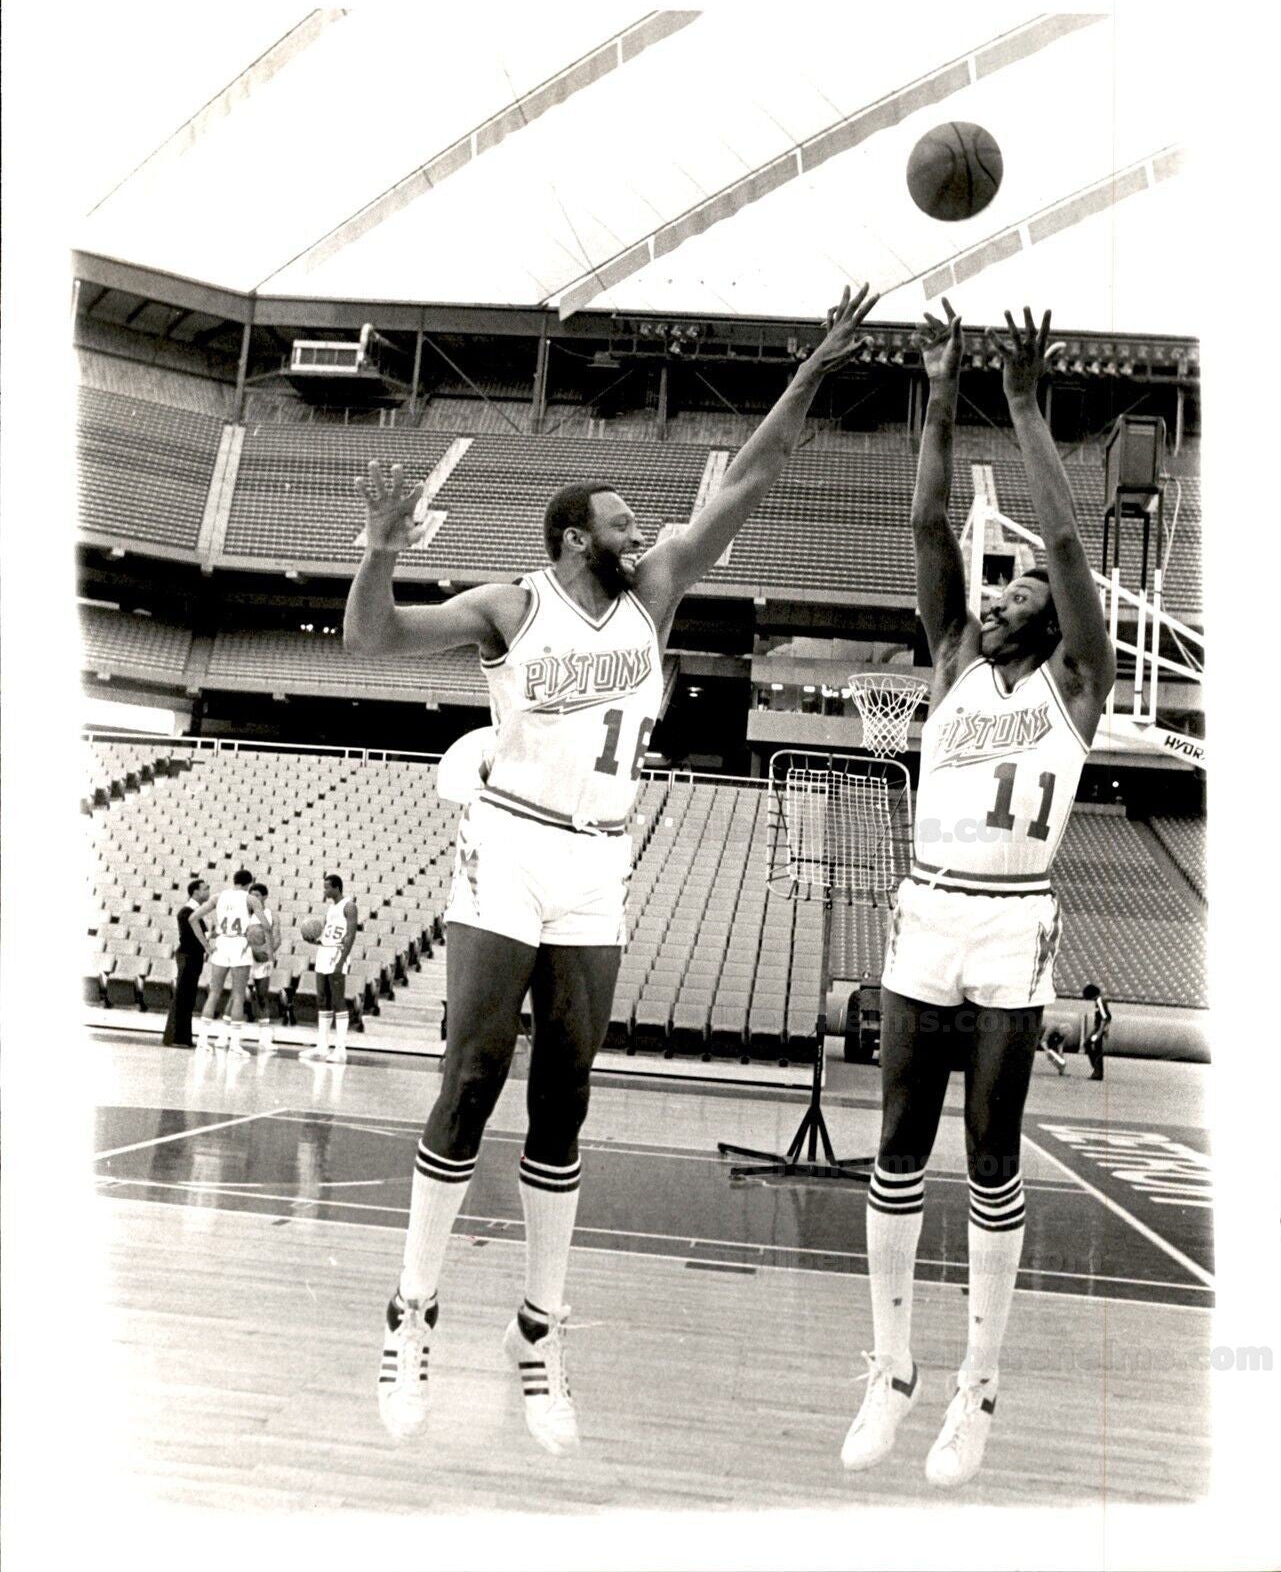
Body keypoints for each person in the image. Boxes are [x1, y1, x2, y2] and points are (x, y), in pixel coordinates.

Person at [343, 283, 880, 1455]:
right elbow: (370, 639)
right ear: (574, 538)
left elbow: (749, 476)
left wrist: (817, 367)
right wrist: (379, 552)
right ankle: (410, 1309)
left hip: (596, 863)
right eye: (625, 525)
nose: (646, 535)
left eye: (644, 526)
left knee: (565, 1099)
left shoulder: (656, 596)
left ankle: (539, 1332)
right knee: (474, 1070)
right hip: (510, 843)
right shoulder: (511, 606)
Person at [840, 301, 1115, 1488]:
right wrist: (942, 394)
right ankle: (891, 1367)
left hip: (1012, 926)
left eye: (1016, 591)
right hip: (927, 913)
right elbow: (924, 518)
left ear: (1051, 618)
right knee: (897, 1143)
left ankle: (978, 1388)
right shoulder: (952, 659)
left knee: (991, 1152)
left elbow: (1063, 544)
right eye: (990, 589)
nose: (997, 591)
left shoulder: (1079, 681)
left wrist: (1026, 409)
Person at [192, 867, 266, 1055]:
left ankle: (202, 1041)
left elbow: (193, 918)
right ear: (250, 883)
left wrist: (207, 946)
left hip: (222, 943)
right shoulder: (251, 899)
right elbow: (265, 925)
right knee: (238, 995)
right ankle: (234, 1045)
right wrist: (256, 932)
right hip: (240, 943)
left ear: (234, 880)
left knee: (214, 993)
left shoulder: (218, 897)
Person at [300, 874, 358, 1065]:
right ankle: (322, 1046)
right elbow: (328, 932)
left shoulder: (349, 906)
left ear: (337, 888)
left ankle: (340, 1049)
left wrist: (341, 961)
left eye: (327, 888)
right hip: (324, 952)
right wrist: (315, 939)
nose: (324, 891)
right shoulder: (331, 908)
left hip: (337, 954)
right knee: (322, 998)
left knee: (338, 1000)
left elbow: (350, 935)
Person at [161, 878, 210, 1048]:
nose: (208, 891)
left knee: (187, 997)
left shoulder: (194, 911)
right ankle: (176, 1037)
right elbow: (196, 936)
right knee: (183, 996)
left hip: (192, 957)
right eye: (205, 889)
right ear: (196, 892)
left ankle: (181, 1037)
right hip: (188, 956)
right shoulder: (187, 912)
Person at [247, 882, 281, 1044]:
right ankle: (232, 1032)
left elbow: (277, 939)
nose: (254, 898)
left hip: (262, 959)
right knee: (238, 994)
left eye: (257, 895)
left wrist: (266, 953)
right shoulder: (244, 914)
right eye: (251, 895)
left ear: (265, 897)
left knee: (262, 995)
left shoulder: (270, 915)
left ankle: (265, 1032)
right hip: (246, 957)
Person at [1081, 982, 1111, 1080]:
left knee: (1089, 1045)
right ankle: (1097, 1071)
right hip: (1099, 1028)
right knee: (1094, 1048)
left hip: (1098, 1029)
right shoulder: (1101, 1001)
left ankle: (1097, 1070)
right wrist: (1106, 1030)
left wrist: (1099, 1032)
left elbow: (1104, 1018)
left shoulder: (1099, 1001)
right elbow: (1109, 1016)